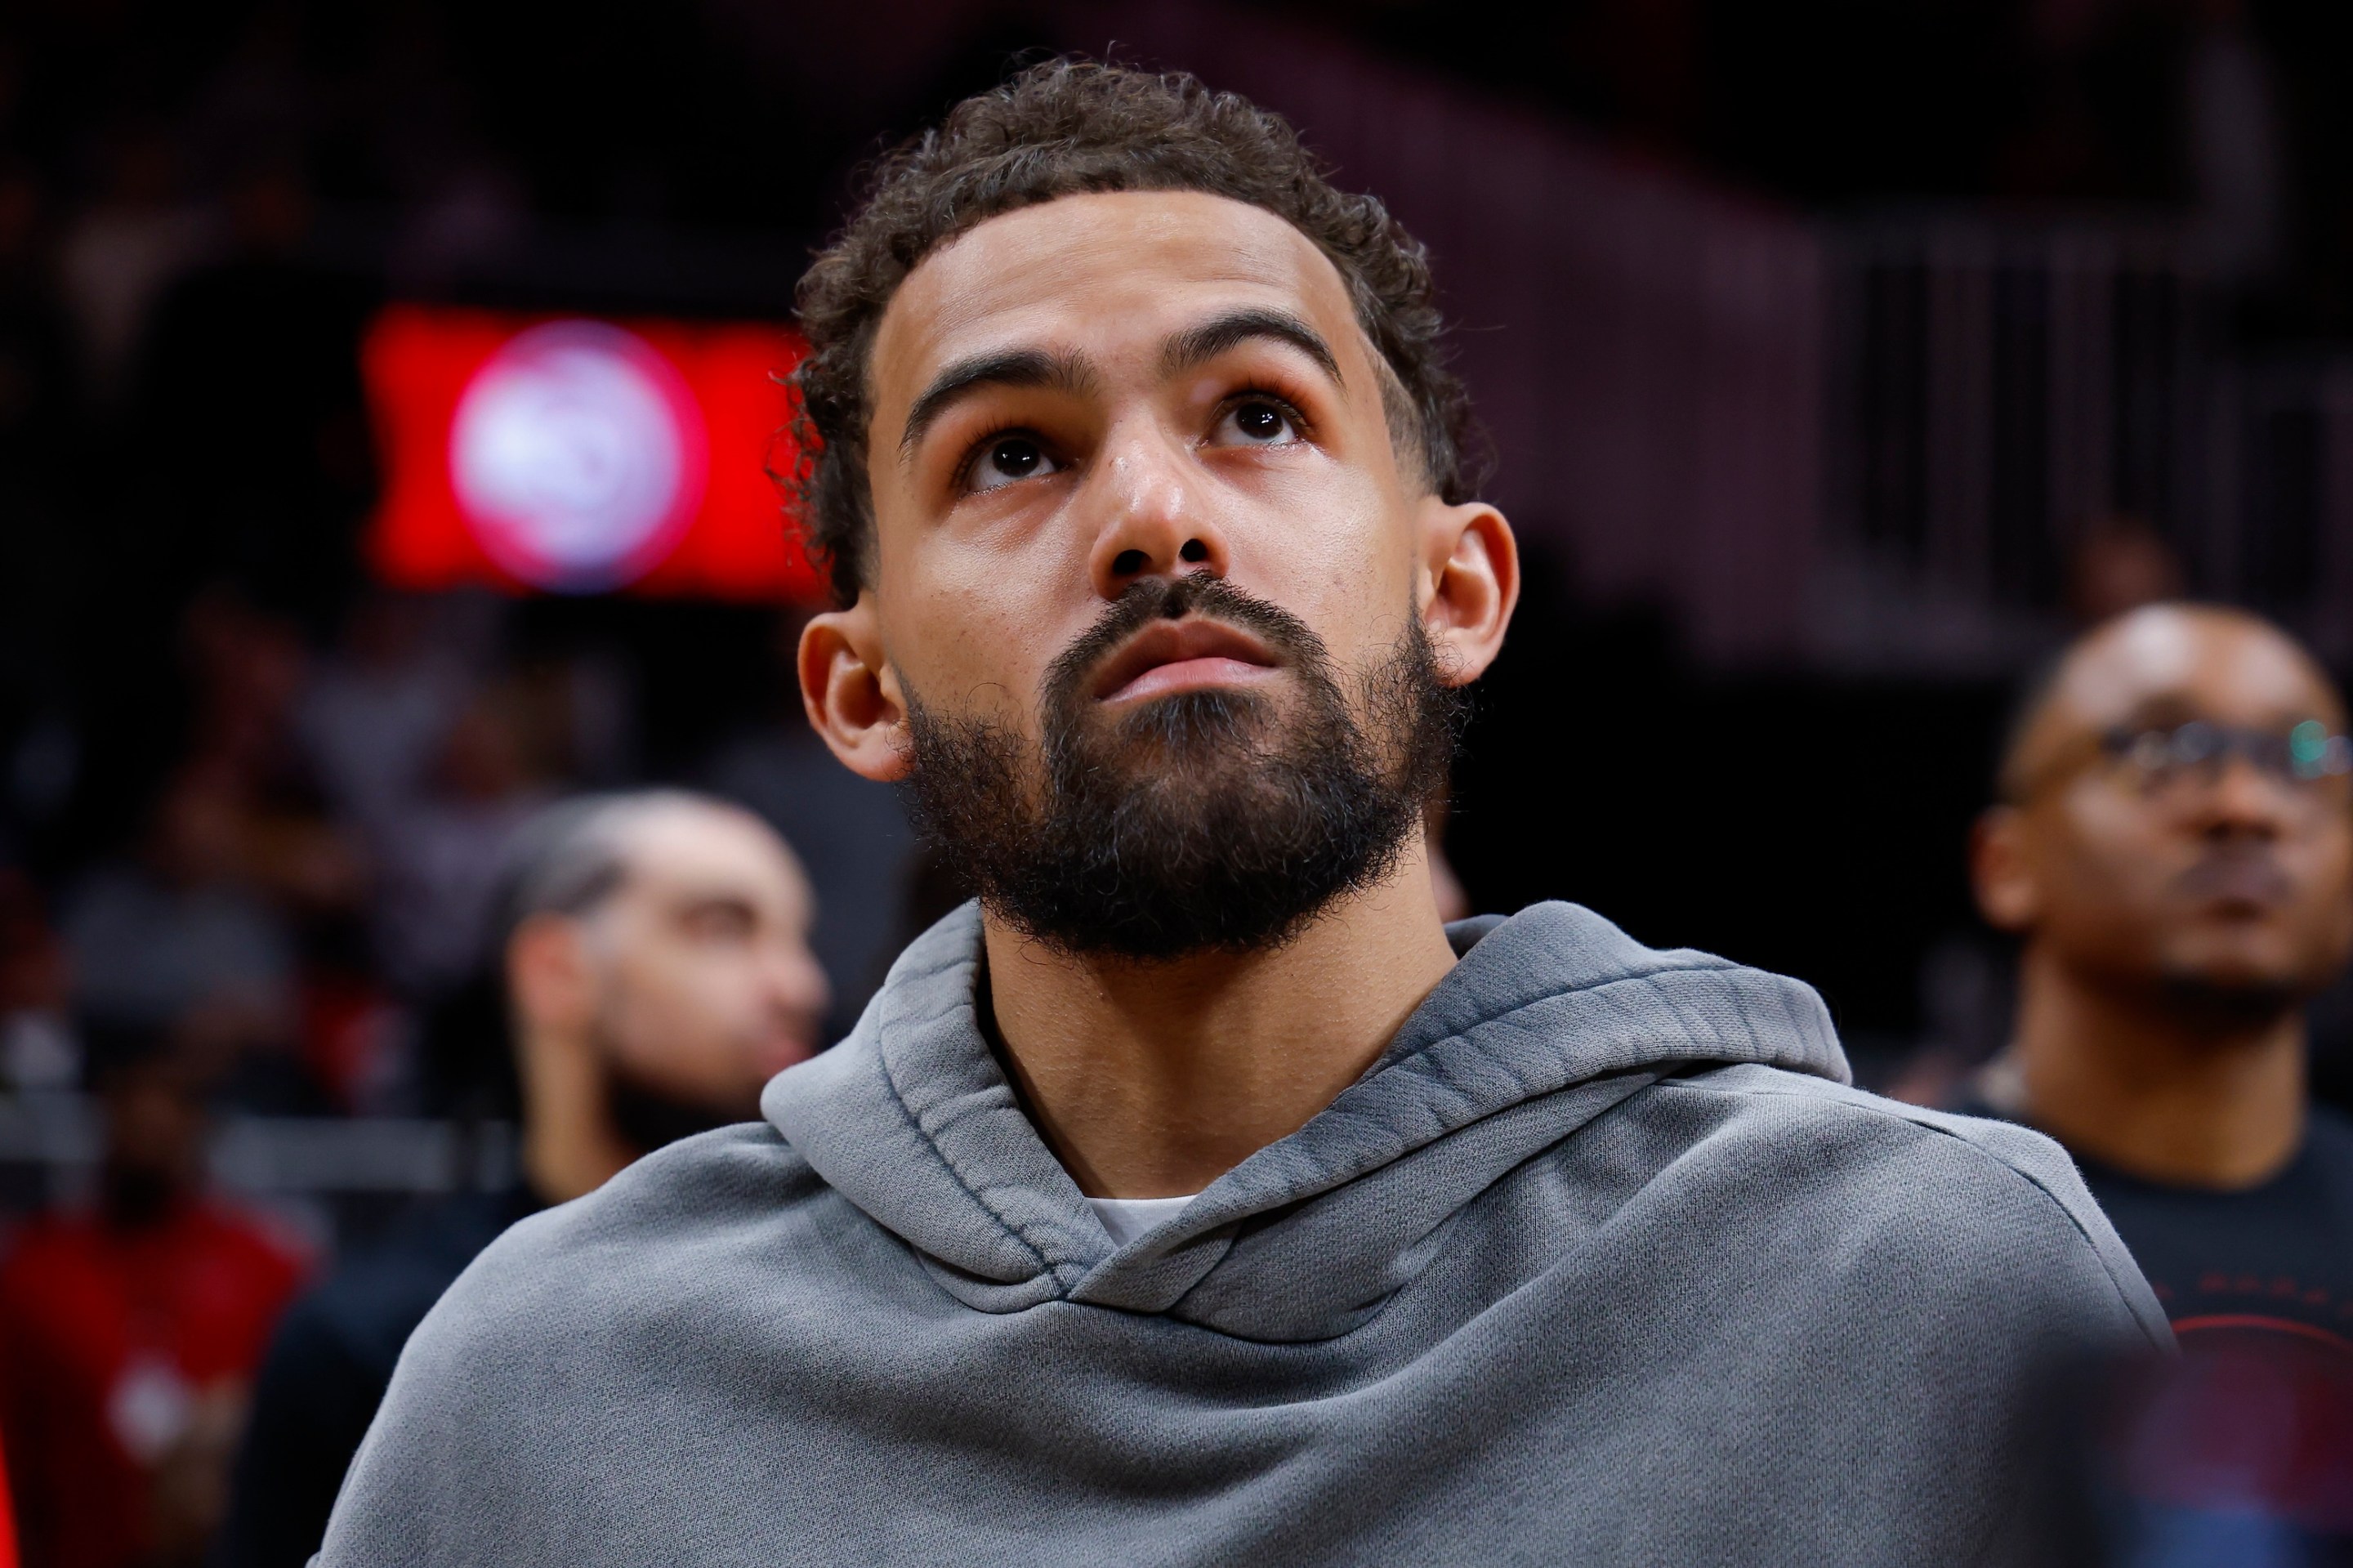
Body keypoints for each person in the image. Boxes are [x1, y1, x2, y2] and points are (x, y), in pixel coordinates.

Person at [320, 61, 2164, 1566]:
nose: (1153, 513)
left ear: (1458, 590)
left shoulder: (1934, 1303)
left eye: (1259, 416)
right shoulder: (546, 1397)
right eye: (1014, 452)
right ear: (858, 691)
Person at [212, 791, 829, 1568]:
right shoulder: (371, 1344)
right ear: (557, 971)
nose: (798, 984)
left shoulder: (842, 1304)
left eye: (797, 938)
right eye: (721, 928)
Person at [1964, 602, 2353, 1543]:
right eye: (2165, 747)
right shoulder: (1880, 1231)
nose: (2245, 806)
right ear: (2006, 863)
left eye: (2306, 758)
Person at [0, 1023, 306, 1568]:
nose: (150, 1116)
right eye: (131, 1094)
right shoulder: (35, 1275)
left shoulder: (269, 1270)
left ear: (203, 1118)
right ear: (103, 1107)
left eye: (173, 1097)